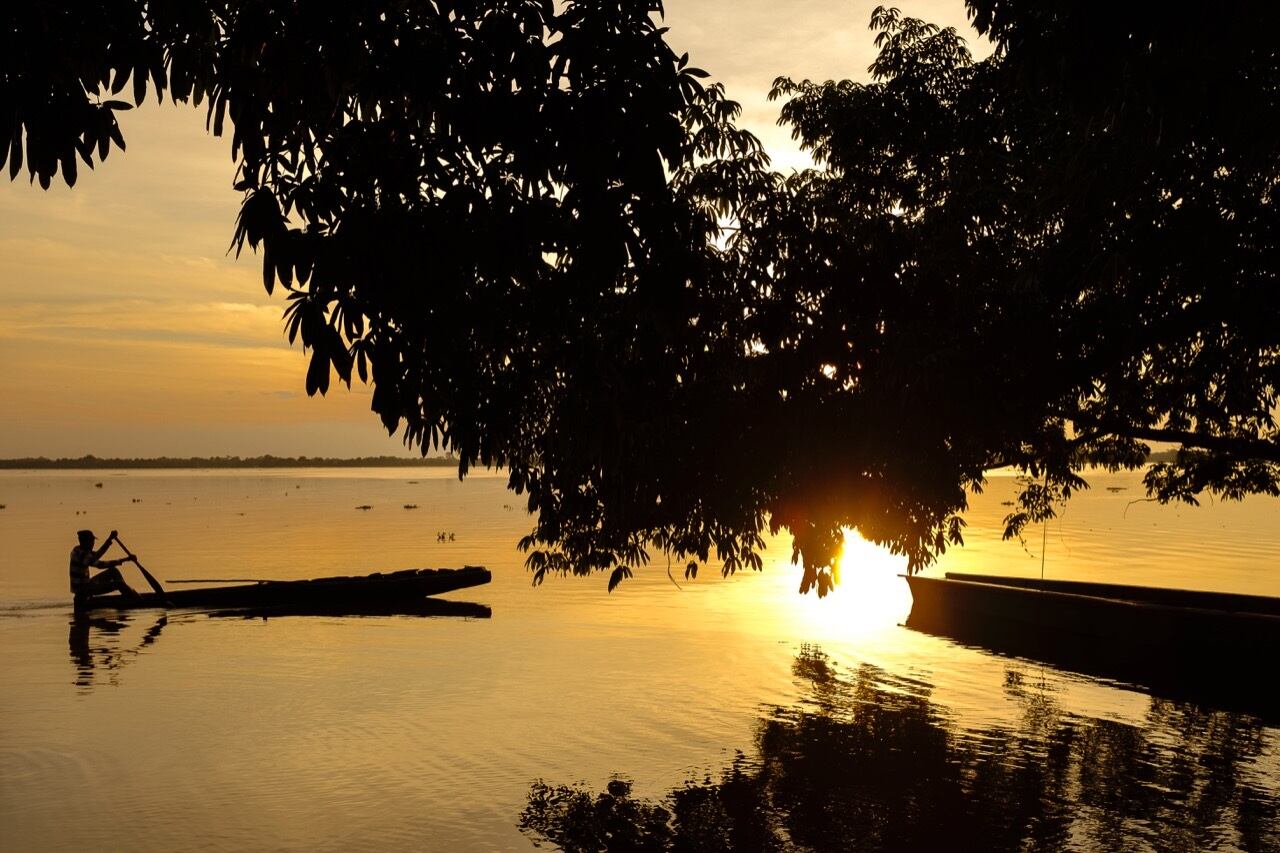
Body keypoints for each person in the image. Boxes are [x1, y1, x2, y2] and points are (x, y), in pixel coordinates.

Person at [70, 529, 139, 601]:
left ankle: (127, 595)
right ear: (85, 542)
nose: (93, 543)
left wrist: (109, 539)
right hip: (83, 590)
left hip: (87, 584)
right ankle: (133, 599)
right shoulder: (82, 555)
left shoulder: (78, 550)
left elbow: (97, 555)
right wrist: (125, 560)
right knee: (119, 584)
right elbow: (101, 565)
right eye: (91, 541)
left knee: (113, 571)